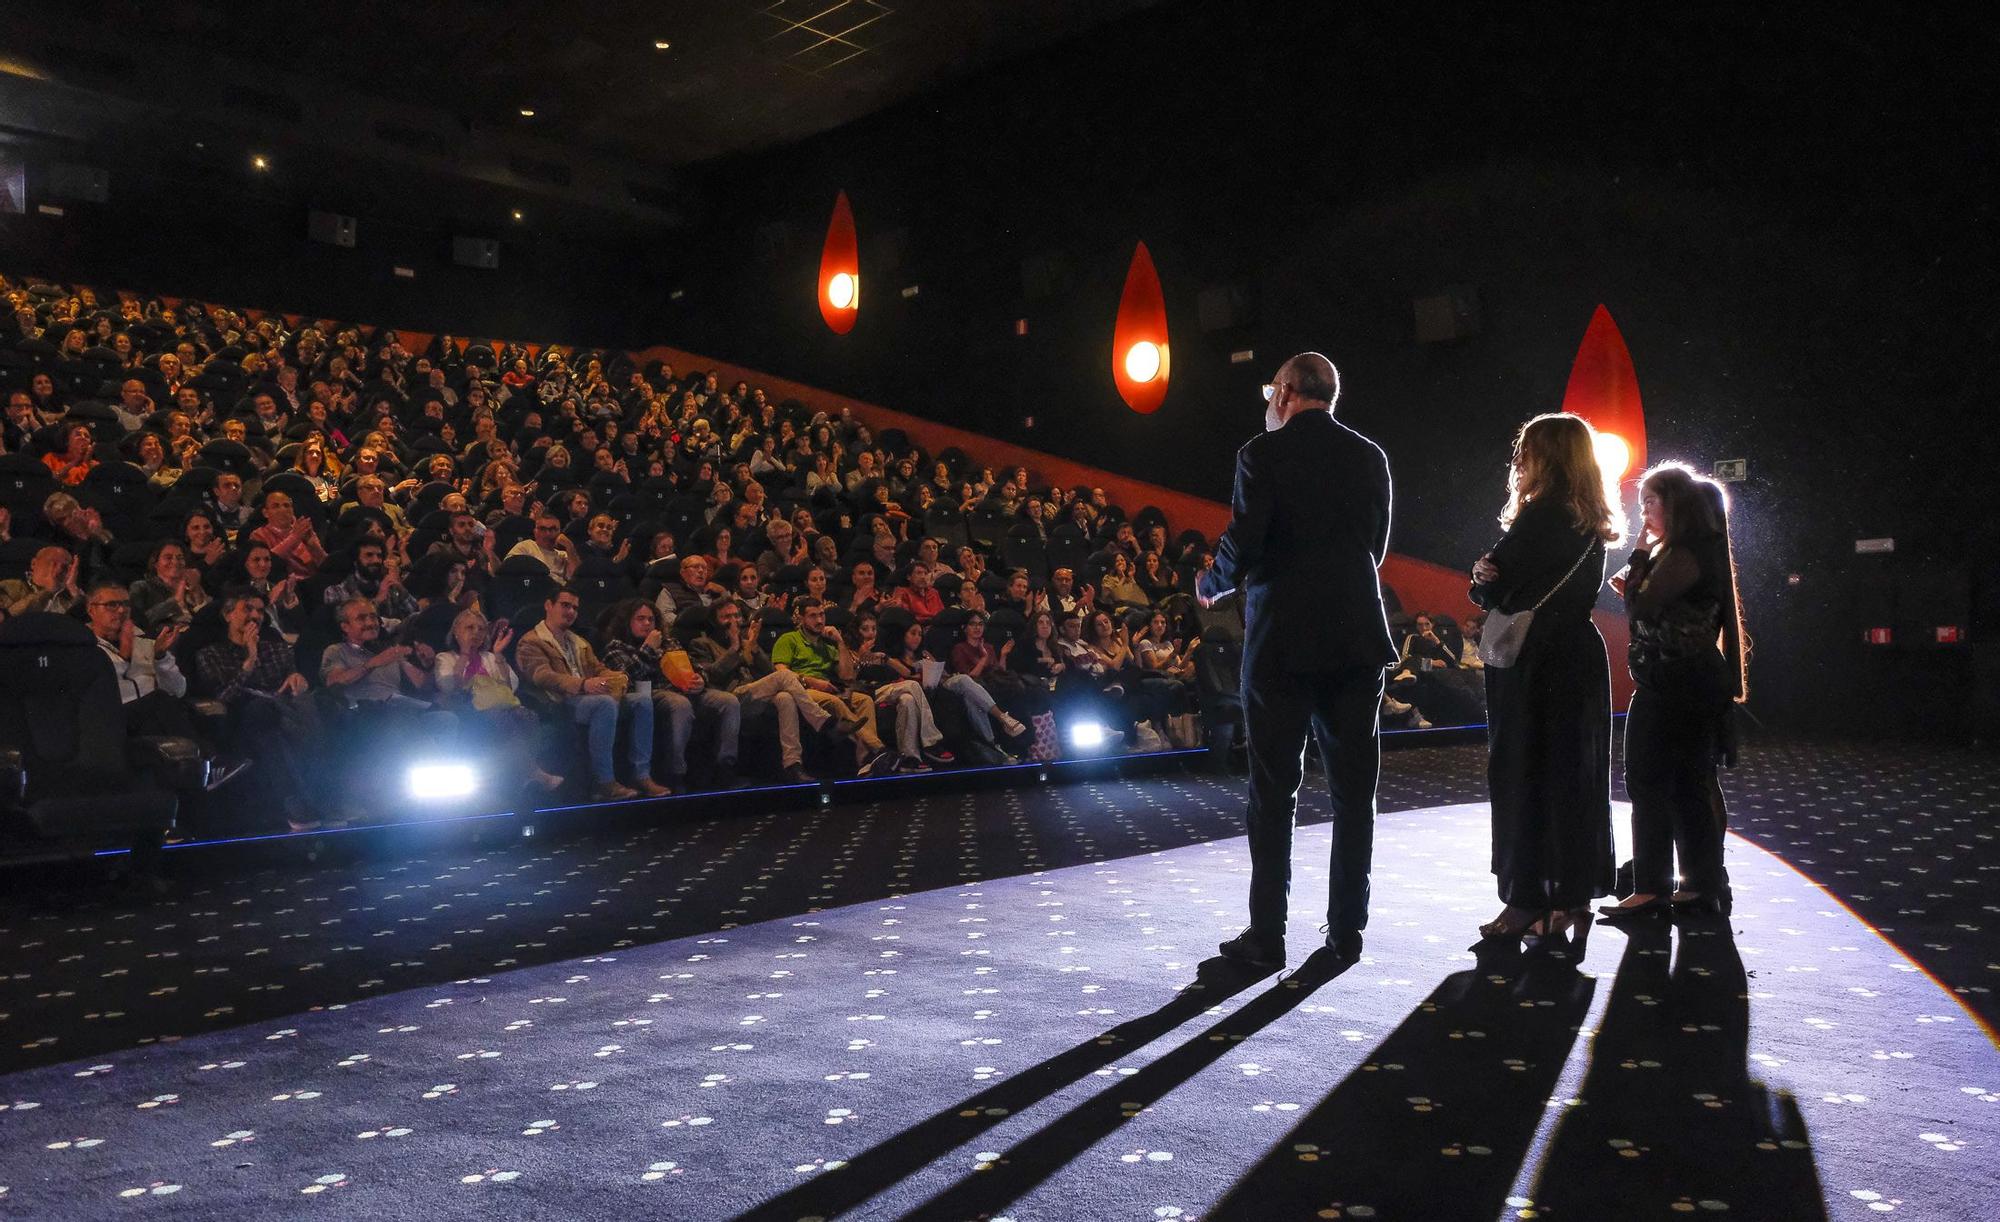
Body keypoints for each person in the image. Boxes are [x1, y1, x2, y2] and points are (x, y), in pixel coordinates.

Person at [1196, 352, 1392, 969]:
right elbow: (1377, 551)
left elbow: (1247, 538)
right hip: (1357, 638)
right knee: (1353, 791)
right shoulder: (1371, 456)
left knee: (1273, 791)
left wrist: (1213, 580)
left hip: (1282, 641)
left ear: (1284, 393)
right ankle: (1345, 931)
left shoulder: (1261, 452)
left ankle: (1267, 936)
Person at [1469, 412, 1623, 941]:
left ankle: (1525, 901)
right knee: (1574, 776)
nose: (1519, 460)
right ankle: (1572, 900)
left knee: (1522, 774)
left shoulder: (1538, 516)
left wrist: (1482, 578)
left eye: (1527, 450)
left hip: (1534, 660)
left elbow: (1498, 586)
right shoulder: (1590, 520)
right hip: (1577, 654)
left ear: (1547, 457)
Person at [1599, 463, 1747, 921]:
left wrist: (1639, 557)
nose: (1642, 511)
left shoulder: (1684, 554)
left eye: (1650, 500)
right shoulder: (1684, 552)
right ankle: (1692, 885)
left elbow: (1641, 607)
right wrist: (1641, 566)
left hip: (1677, 683)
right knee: (1682, 786)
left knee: (1655, 783)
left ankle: (1658, 887)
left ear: (1675, 504)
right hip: (1679, 681)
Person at [516, 587, 669, 801]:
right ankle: (604, 781)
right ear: (549, 606)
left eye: (575, 608)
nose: (571, 611)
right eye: (565, 605)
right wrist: (583, 684)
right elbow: (542, 676)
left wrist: (617, 677)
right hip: (560, 701)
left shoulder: (577, 641)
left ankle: (642, 775)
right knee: (605, 704)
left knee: (642, 700)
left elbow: (598, 668)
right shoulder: (531, 641)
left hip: (588, 695)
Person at [686, 601, 844, 785]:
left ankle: (792, 765)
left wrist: (753, 647)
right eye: (726, 617)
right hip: (727, 698)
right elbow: (711, 675)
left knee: (785, 698)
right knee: (784, 676)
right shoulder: (701, 644)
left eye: (736, 615)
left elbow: (769, 673)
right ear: (714, 622)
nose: (734, 621)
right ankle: (822, 720)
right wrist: (734, 647)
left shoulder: (747, 642)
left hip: (752, 696)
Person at [596, 598, 742, 793]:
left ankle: (725, 766)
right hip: (648, 692)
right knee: (678, 704)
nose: (647, 624)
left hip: (687, 690)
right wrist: (648, 649)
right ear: (627, 621)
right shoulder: (616, 647)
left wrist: (700, 679)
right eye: (640, 619)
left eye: (651, 619)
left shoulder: (669, 642)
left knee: (728, 701)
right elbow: (626, 677)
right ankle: (675, 772)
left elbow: (696, 667)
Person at [433, 607, 565, 793]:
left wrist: (499, 655)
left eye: (480, 629)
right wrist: (464, 653)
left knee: (528, 716)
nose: (476, 633)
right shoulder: (445, 658)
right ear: (456, 632)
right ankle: (533, 773)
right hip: (467, 709)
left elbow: (510, 687)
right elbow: (450, 687)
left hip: (499, 707)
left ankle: (524, 776)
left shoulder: (489, 657)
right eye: (469, 628)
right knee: (502, 719)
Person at [771, 598, 895, 776]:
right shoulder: (789, 639)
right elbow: (781, 672)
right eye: (813, 616)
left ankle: (865, 762)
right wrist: (813, 682)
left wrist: (840, 642)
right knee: (834, 701)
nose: (820, 621)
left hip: (827, 688)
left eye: (821, 615)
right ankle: (880, 749)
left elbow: (847, 676)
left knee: (865, 700)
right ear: (802, 619)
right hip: (801, 689)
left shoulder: (827, 644)